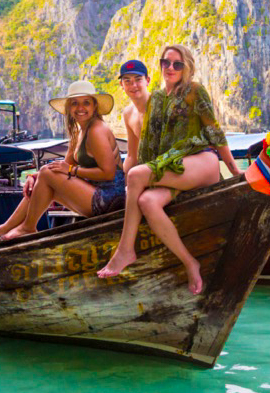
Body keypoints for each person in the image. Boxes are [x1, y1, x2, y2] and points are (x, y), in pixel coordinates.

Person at [97, 45, 241, 295]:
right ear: (160, 65)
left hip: (201, 160)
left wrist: (234, 171)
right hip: (172, 166)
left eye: (177, 64)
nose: (170, 68)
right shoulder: (157, 99)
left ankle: (125, 250)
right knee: (147, 201)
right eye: (166, 63)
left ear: (187, 67)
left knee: (137, 175)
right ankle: (190, 262)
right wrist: (128, 186)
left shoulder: (194, 91)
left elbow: (215, 132)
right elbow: (148, 148)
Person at [0, 80, 123, 240]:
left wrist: (70, 171)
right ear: (69, 108)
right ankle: (6, 227)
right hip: (97, 196)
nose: (80, 108)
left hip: (110, 201)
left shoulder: (96, 130)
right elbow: (64, 165)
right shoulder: (79, 132)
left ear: (94, 106)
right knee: (45, 180)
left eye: (86, 103)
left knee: (46, 173)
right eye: (75, 103)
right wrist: (34, 177)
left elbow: (108, 173)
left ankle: (27, 227)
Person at [117, 60, 151, 172]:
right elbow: (132, 156)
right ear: (121, 85)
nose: (133, 85)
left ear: (147, 80)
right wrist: (122, 184)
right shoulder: (128, 113)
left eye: (138, 79)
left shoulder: (160, 106)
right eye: (127, 81)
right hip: (145, 171)